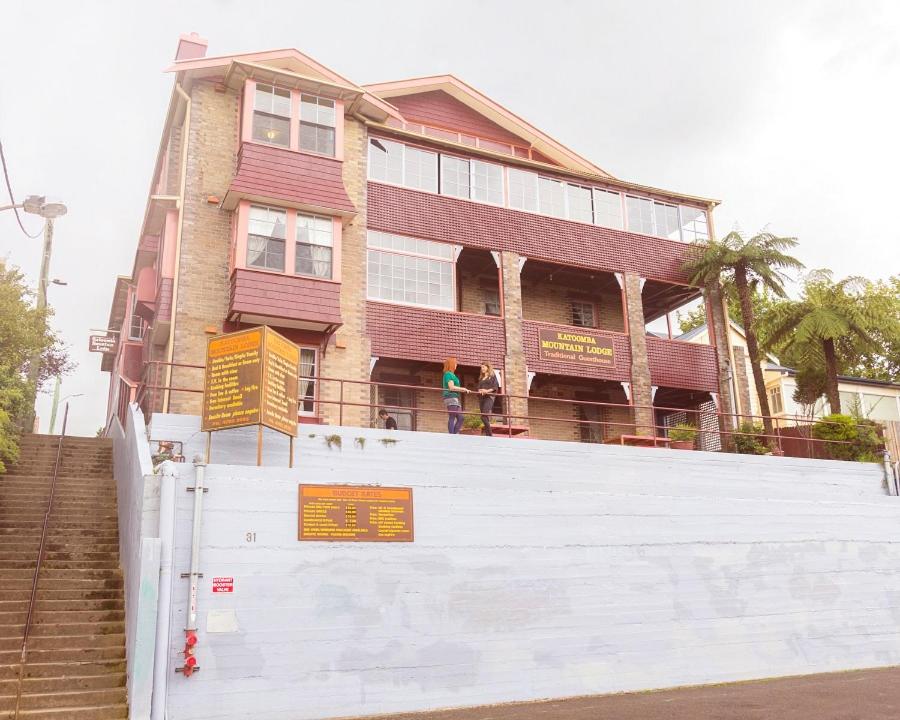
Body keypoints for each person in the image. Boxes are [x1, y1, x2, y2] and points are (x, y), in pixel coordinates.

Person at [441, 357, 468, 434]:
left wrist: (464, 389)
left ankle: (454, 434)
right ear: (451, 364)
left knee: (461, 418)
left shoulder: (453, 375)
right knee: (452, 416)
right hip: (450, 396)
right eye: (455, 363)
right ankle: (452, 436)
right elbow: (451, 387)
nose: (456, 365)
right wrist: (463, 389)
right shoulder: (448, 374)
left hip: (455, 397)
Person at [476, 362, 500, 436]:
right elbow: (478, 388)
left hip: (489, 398)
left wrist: (486, 391)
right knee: (483, 417)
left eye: (483, 367)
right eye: (481, 367)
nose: (482, 369)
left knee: (484, 415)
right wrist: (480, 390)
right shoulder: (481, 378)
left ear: (487, 367)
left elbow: (495, 387)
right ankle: (488, 434)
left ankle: (489, 435)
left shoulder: (492, 376)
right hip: (481, 398)